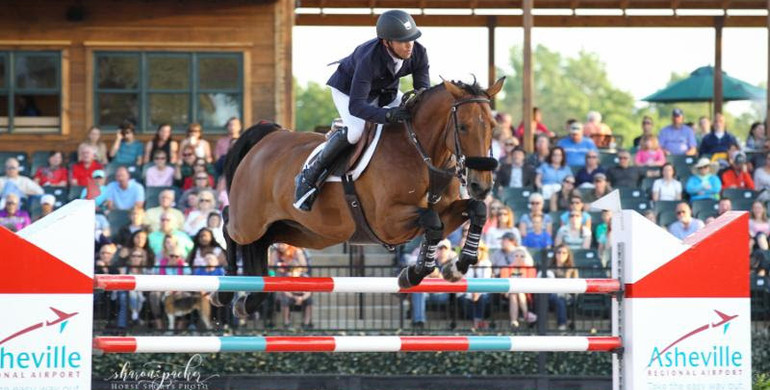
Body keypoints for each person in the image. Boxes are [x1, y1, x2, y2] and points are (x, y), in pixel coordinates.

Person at [294, 10, 429, 211]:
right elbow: (356, 106)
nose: (409, 45)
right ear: (386, 42)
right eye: (403, 41)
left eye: (411, 38)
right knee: (356, 132)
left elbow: (423, 94)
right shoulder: (369, 59)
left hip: (385, 93)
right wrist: (387, 115)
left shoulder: (418, 52)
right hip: (348, 93)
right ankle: (310, 175)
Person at [540, 244, 578, 331]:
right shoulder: (549, 268)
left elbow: (574, 287)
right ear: (555, 254)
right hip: (550, 295)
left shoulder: (572, 269)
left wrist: (568, 275)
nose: (561, 255)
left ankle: (562, 325)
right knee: (556, 298)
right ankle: (563, 325)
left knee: (560, 299)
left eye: (564, 253)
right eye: (559, 252)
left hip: (566, 295)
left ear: (568, 255)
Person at [500, 247, 537, 329]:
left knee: (517, 292)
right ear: (512, 257)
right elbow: (503, 284)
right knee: (514, 293)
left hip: (526, 293)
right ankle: (527, 315)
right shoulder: (506, 269)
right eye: (516, 256)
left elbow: (531, 283)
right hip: (508, 292)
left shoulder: (530, 269)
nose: (519, 258)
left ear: (525, 258)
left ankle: (514, 321)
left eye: (522, 256)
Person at [459, 243, 492, 330]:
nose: (477, 251)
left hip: (483, 291)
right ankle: (477, 322)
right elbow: (465, 279)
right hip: (468, 291)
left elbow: (486, 280)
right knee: (464, 299)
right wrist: (472, 294)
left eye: (480, 249)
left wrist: (477, 292)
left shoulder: (486, 263)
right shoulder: (466, 264)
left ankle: (477, 322)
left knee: (483, 298)